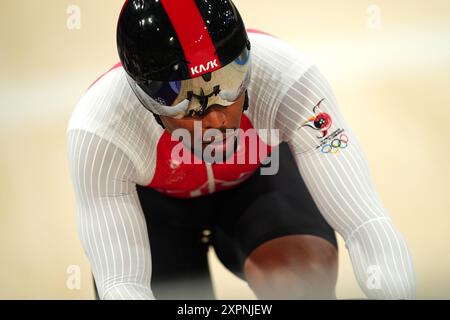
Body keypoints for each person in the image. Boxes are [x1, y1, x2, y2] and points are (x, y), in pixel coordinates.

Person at [67, 0, 416, 300]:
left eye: (230, 84)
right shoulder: (101, 129)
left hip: (257, 178)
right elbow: (123, 284)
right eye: (184, 101)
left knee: (301, 284)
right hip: (156, 213)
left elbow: (366, 224)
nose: (218, 118)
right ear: (145, 96)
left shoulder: (287, 78)